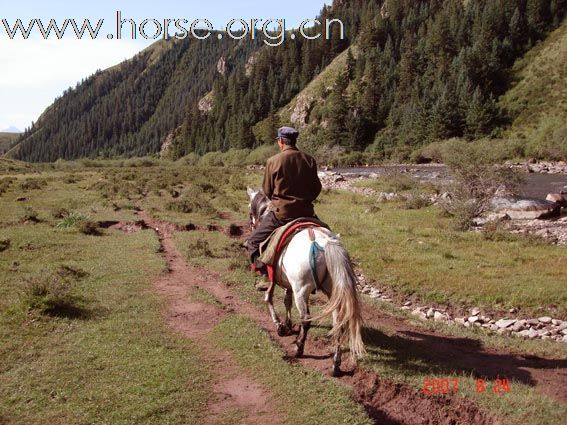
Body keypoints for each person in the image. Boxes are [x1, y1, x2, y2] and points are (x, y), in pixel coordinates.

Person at [247, 126, 323, 291]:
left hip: (282, 215)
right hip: (307, 213)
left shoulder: (274, 161)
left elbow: (266, 190)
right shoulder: (309, 160)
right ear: (294, 141)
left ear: (281, 141)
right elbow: (317, 188)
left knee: (253, 240)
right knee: (328, 235)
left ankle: (265, 276)